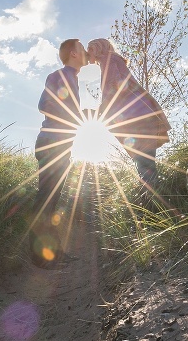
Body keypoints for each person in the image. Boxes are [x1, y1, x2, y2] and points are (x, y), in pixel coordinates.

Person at [86, 38, 171, 199]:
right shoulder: (113, 60)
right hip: (142, 116)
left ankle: (153, 206)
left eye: (89, 49)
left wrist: (101, 109)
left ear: (98, 49)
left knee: (144, 163)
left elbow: (115, 85)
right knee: (146, 163)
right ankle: (158, 202)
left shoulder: (107, 60)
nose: (87, 53)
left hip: (137, 118)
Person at [31, 38, 88, 267]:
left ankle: (51, 251)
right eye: (82, 49)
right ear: (73, 54)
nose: (85, 53)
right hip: (51, 143)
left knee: (52, 200)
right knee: (46, 199)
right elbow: (44, 104)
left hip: (61, 145)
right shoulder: (59, 76)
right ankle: (39, 256)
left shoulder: (76, 79)